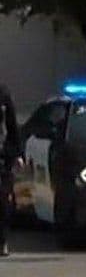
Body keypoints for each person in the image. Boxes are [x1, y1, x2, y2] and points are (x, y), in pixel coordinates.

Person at [0, 80, 23, 259]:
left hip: (2, 156)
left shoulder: (3, 93)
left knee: (3, 200)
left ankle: (2, 241)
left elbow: (12, 125)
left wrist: (17, 154)